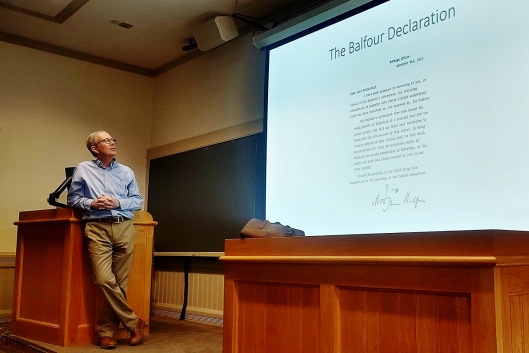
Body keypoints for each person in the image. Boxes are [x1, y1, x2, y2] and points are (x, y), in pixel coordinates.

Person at [67, 130, 145, 349]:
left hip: (124, 227)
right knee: (103, 279)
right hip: (97, 227)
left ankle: (106, 332)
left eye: (113, 140)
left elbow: (137, 200)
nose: (112, 142)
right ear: (94, 149)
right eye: (106, 140)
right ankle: (133, 322)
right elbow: (73, 198)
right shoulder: (83, 168)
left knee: (120, 284)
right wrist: (92, 204)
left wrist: (117, 203)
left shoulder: (126, 171)